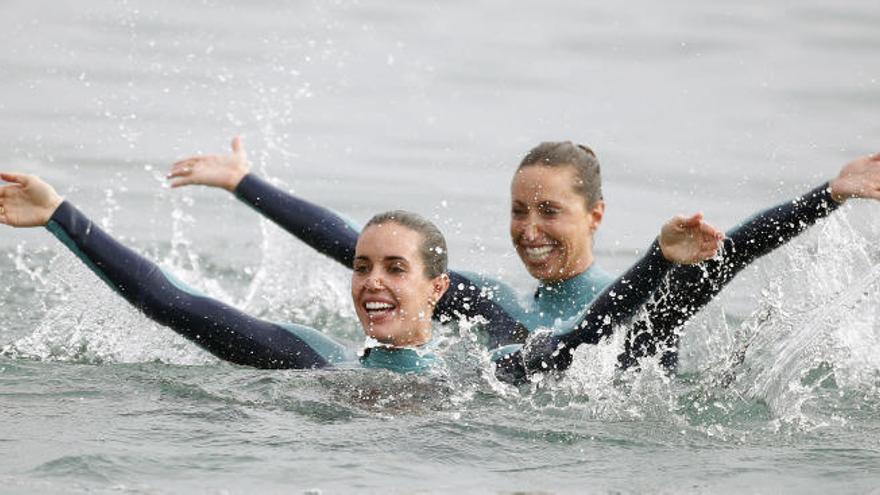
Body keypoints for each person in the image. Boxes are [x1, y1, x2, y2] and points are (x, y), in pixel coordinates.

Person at [168, 139, 880, 372]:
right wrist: (245, 183)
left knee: (672, 305)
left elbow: (721, 268)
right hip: (533, 385)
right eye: (517, 210)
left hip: (624, 400)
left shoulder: (618, 301)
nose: (529, 229)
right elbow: (357, 244)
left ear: (596, 215)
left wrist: (827, 196)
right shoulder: (498, 303)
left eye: (549, 211)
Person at [0, 171, 721, 383]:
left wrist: (660, 258)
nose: (372, 281)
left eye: (395, 268)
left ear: (438, 288)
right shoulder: (313, 357)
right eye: (362, 266)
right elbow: (173, 303)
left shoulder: (486, 375)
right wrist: (61, 213)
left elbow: (588, 330)